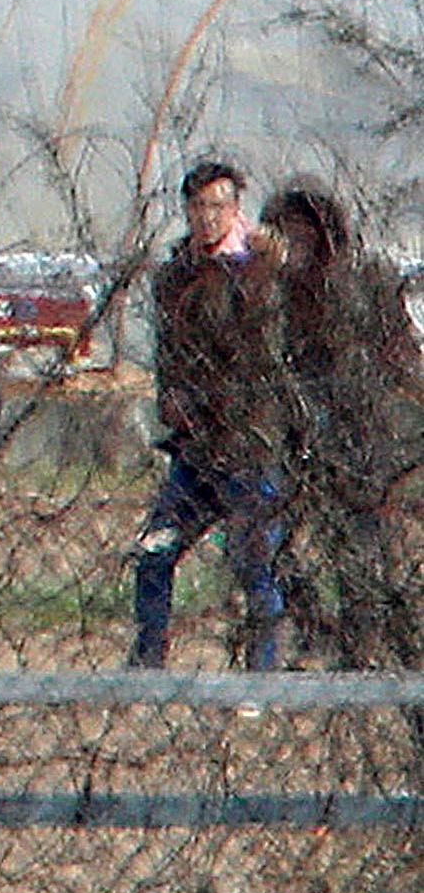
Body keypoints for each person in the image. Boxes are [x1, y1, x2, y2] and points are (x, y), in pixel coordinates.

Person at [136, 158, 289, 670]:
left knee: (255, 565)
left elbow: (266, 355)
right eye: (198, 206)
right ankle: (147, 662)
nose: (207, 217)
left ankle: (261, 674)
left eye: (217, 206)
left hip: (248, 448)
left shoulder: (261, 272)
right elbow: (170, 353)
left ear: (235, 209)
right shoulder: (177, 276)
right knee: (155, 552)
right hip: (195, 451)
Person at [271, 185, 423, 669]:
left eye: (304, 234)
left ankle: (361, 645)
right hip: (295, 435)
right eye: (286, 234)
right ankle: (314, 629)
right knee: (271, 543)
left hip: (360, 434)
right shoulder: (269, 288)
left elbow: (398, 346)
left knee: (359, 547)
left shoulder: (365, 279)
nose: (296, 244)